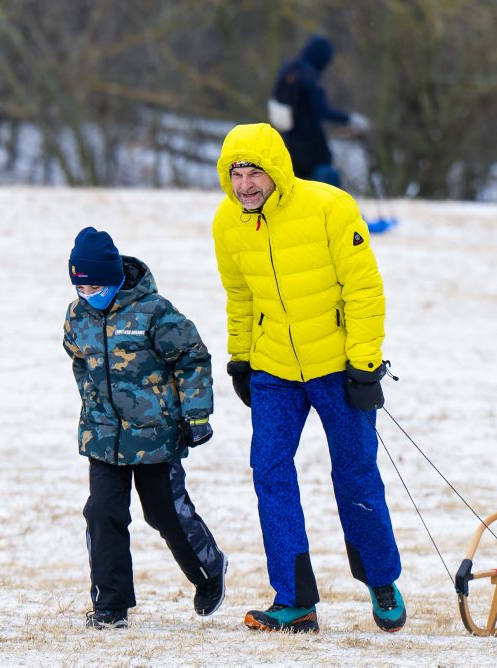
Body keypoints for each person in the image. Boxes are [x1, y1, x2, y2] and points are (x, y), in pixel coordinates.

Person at [211, 123, 406, 634]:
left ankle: (381, 581)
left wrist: (365, 363)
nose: (246, 184)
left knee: (355, 473)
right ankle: (295, 600)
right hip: (274, 369)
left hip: (337, 368)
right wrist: (241, 358)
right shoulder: (227, 223)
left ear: (277, 170)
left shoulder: (330, 207)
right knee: (269, 472)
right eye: (236, 174)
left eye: (255, 172)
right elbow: (241, 296)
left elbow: (363, 287)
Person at [62, 226, 227, 630]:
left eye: (96, 285)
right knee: (102, 513)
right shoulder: (77, 316)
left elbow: (192, 357)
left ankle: (209, 570)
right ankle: (110, 607)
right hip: (103, 436)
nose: (89, 293)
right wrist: (93, 403)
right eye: (81, 287)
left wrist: (196, 414)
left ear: (116, 276)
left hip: (156, 435)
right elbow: (79, 359)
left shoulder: (153, 311)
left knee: (164, 513)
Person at [270, 34, 370, 189]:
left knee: (296, 181)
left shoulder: (288, 68)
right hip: (311, 139)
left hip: (288, 137)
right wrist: (349, 118)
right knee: (325, 175)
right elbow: (322, 110)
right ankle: (331, 210)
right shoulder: (310, 76)